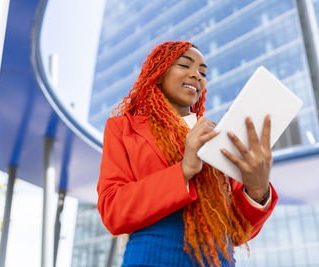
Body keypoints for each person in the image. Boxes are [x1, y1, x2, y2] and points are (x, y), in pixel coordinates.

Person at [97, 41, 278, 267]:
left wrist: (258, 191)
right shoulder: (123, 128)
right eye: (185, 65)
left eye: (203, 72)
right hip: (151, 259)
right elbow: (112, 209)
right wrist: (183, 171)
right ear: (159, 74)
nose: (196, 75)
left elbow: (238, 232)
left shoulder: (217, 137)